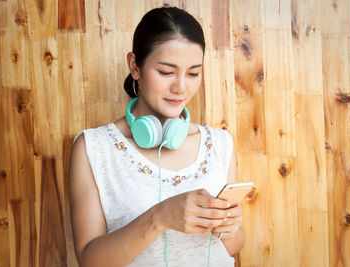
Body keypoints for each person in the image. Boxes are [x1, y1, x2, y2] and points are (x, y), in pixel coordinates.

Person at [68, 6, 245, 267]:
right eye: (166, 72)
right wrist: (159, 217)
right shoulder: (93, 148)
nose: (181, 88)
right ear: (135, 66)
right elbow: (89, 260)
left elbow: (234, 245)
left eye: (194, 73)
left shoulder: (220, 144)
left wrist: (228, 227)